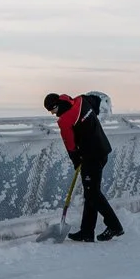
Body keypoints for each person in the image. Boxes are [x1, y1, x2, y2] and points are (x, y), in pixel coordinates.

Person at [45, 90, 124, 242]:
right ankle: (87, 232)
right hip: (102, 150)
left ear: (56, 105)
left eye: (52, 110)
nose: (53, 114)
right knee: (91, 193)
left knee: (93, 194)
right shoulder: (82, 101)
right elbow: (97, 101)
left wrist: (76, 161)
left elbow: (70, 144)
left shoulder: (65, 120)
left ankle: (114, 226)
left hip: (91, 157)